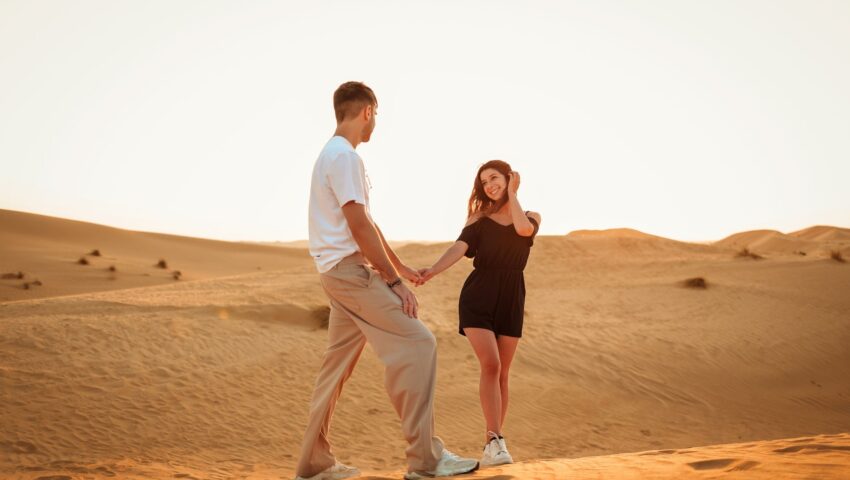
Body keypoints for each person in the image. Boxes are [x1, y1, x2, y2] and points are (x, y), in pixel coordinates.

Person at [294, 81, 479, 480]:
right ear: (367, 112)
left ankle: (312, 465)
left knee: (335, 368)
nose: (375, 123)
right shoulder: (345, 158)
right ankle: (425, 461)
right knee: (419, 343)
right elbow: (358, 224)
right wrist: (395, 284)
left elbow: (366, 223)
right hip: (349, 275)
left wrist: (399, 266)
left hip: (335, 275)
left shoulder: (331, 155)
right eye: (376, 115)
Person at [417, 160, 541, 468]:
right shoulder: (478, 219)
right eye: (484, 182)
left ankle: (492, 441)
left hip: (512, 297)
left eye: (495, 178)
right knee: (491, 363)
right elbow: (459, 248)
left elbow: (523, 230)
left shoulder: (530, 216)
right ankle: (496, 440)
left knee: (503, 373)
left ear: (509, 178)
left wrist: (512, 193)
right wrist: (432, 270)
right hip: (478, 295)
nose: (490, 186)